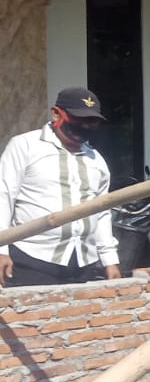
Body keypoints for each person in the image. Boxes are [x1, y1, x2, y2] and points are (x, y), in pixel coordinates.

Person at [0, 87, 120, 287]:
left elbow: (101, 212)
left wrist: (110, 259)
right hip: (33, 259)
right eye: (78, 120)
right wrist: (1, 249)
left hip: (84, 262)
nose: (84, 126)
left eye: (91, 122)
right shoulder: (25, 146)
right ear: (56, 114)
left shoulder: (96, 159)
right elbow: (3, 197)